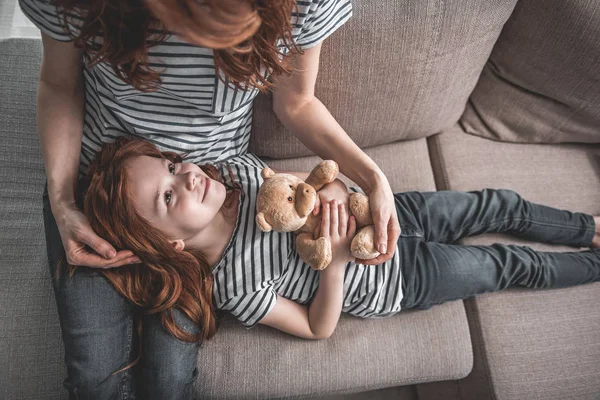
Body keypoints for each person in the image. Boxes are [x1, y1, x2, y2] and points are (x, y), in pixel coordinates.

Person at [21, 0, 401, 397]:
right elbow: (60, 86)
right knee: (94, 382)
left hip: (208, 197)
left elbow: (296, 101)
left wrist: (373, 179)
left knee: (169, 383)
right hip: (100, 198)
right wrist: (63, 202)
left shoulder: (302, 5)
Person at [82, 136, 600, 344]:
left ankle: (586, 228)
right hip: (393, 280)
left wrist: (334, 193)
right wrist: (333, 266)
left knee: (497, 204)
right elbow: (316, 326)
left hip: (390, 213)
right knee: (505, 265)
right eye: (169, 197)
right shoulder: (235, 285)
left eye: (173, 166)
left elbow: (315, 183)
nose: (188, 176)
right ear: (170, 244)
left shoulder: (240, 173)